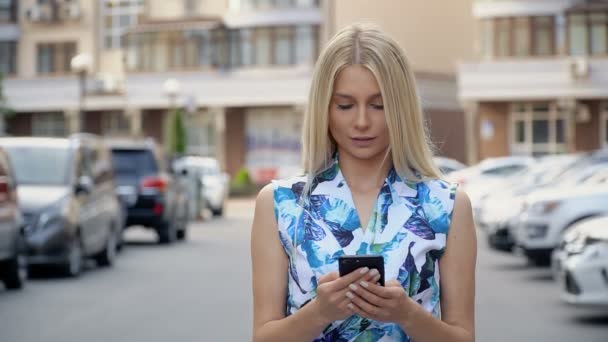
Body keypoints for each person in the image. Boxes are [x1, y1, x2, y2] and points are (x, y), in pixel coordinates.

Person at [251, 23, 476, 342]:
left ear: (401, 107)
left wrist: (407, 315)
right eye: (345, 105)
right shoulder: (281, 203)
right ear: (324, 109)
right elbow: (263, 337)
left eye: (378, 105)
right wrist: (320, 312)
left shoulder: (446, 205)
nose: (361, 121)